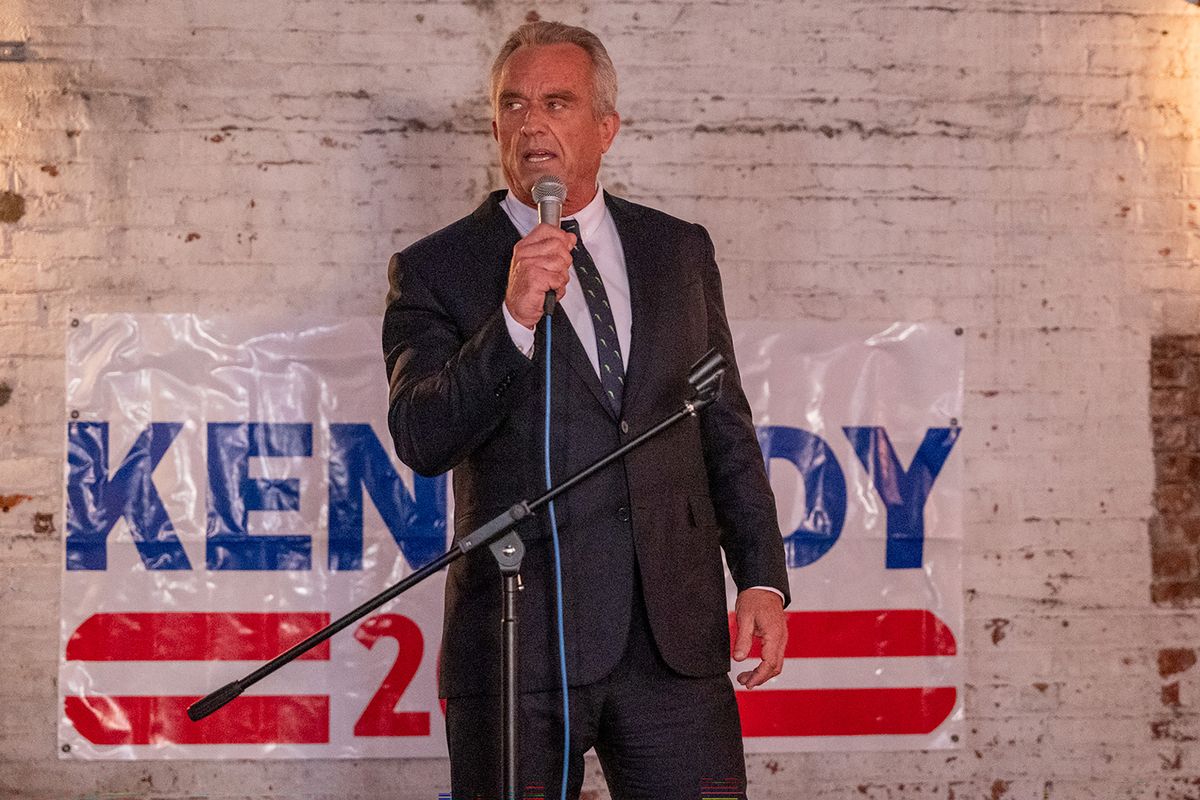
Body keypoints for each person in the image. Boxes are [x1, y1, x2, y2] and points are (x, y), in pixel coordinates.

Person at [382, 20, 789, 799]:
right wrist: (512, 321)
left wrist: (763, 578)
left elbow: (722, 423)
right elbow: (422, 436)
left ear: (606, 127)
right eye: (514, 104)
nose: (532, 122)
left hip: (674, 643)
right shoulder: (437, 268)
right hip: (519, 645)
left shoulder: (679, 250)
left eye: (558, 102)